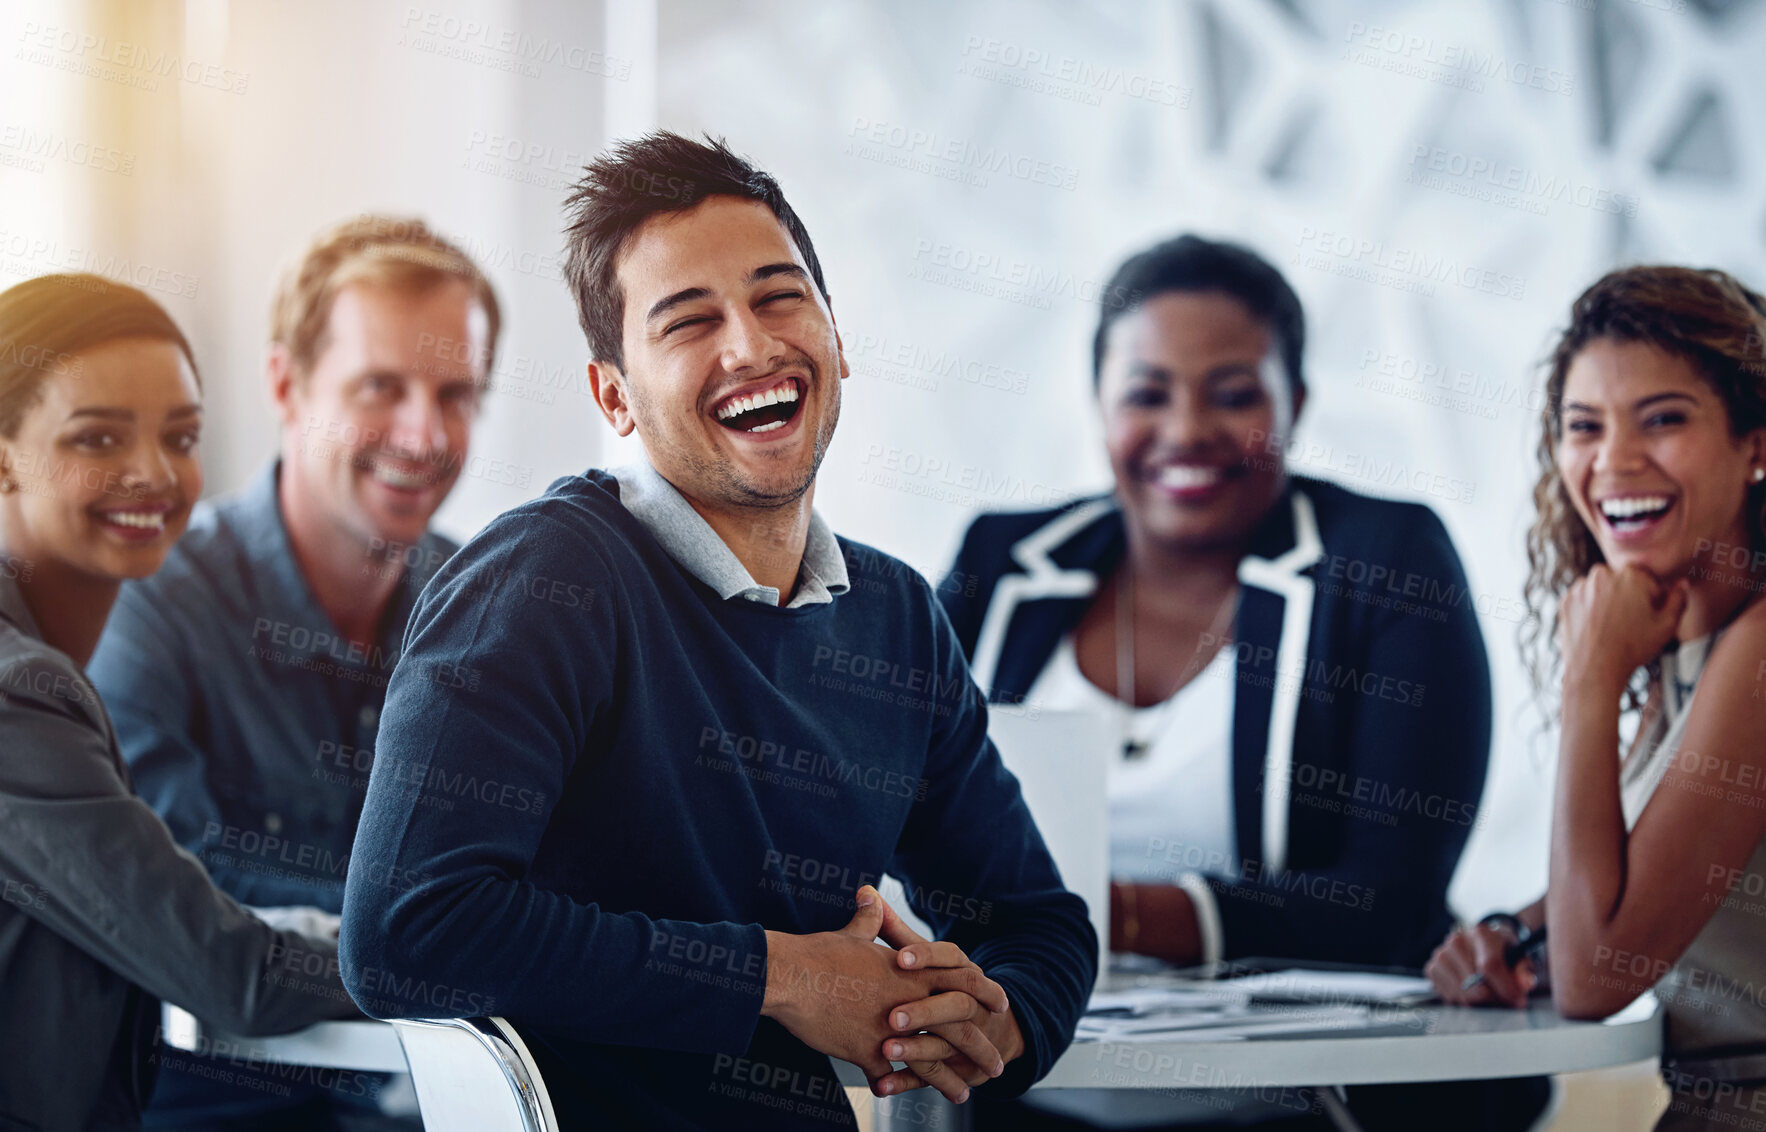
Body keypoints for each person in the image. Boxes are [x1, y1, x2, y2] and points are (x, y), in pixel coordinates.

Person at [339, 131, 1096, 1129]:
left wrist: (993, 1023)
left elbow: (1037, 921)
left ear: (835, 336)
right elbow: (404, 932)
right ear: (614, 393)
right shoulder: (544, 580)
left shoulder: (897, 618)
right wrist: (780, 976)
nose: (750, 346)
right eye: (687, 321)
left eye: (780, 298)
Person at [941, 235, 1537, 1130]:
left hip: (1309, 1106)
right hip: (1033, 1099)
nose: (1185, 431)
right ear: (1099, 406)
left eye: (1233, 394)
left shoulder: (1383, 565)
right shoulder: (1003, 562)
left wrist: (1100, 916)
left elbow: (1387, 897)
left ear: (1295, 403)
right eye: (1146, 393)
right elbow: (897, 819)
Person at [86, 215, 498, 1129]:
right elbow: (180, 891)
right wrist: (437, 930)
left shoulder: (489, 606)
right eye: (381, 388)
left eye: (457, 393)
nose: (424, 434)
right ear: (285, 382)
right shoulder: (153, 601)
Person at [0, 273, 357, 1132]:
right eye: (97, 439)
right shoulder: (16, 695)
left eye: (182, 435)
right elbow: (234, 975)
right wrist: (462, 953)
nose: (154, 475)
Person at [1426, 265, 1766, 1132]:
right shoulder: (1692, 643)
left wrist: (1591, 678)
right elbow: (1640, 891)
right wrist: (1510, 931)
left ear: (1756, 444)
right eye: (1584, 427)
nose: (1613, 462)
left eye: (1663, 420)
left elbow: (1599, 972)